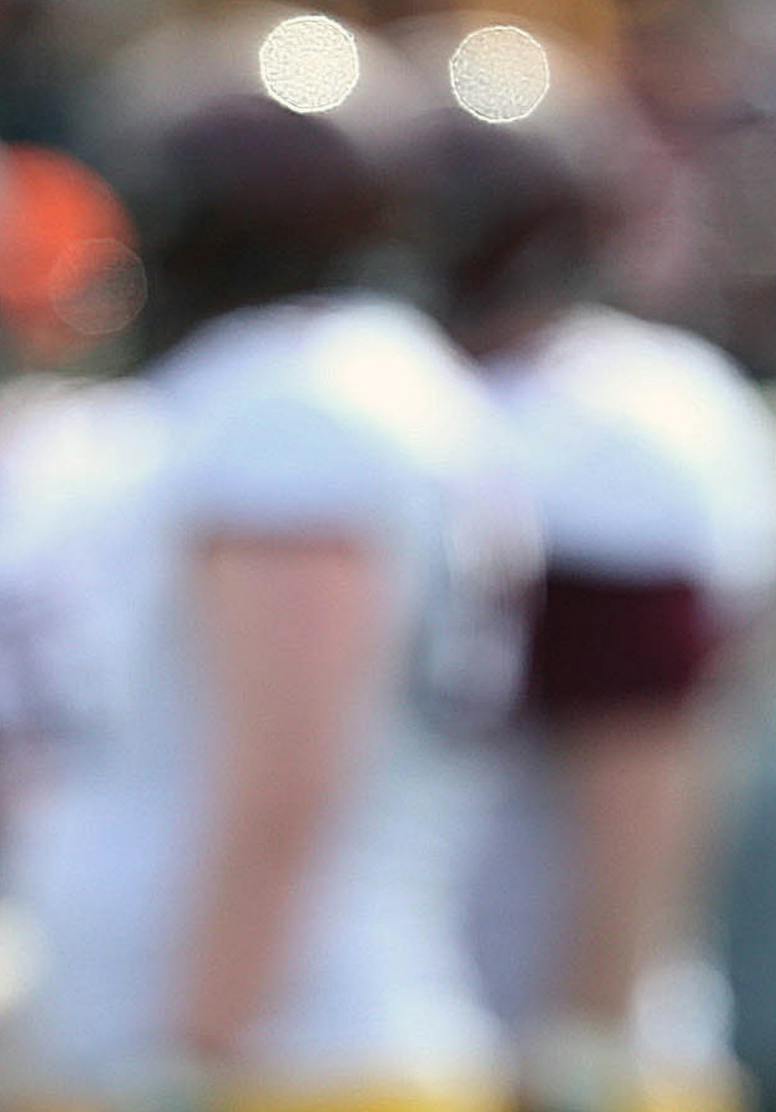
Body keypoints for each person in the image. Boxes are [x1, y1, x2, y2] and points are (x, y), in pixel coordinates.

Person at [0, 10, 540, 1108]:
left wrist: (194, 1050)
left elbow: (286, 770)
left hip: (287, 1055)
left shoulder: (294, 403)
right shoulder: (360, 381)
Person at [389, 20, 776, 1111]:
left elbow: (637, 766)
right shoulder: (632, 397)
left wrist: (586, 1044)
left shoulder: (603, 429)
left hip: (544, 1026)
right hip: (469, 1017)